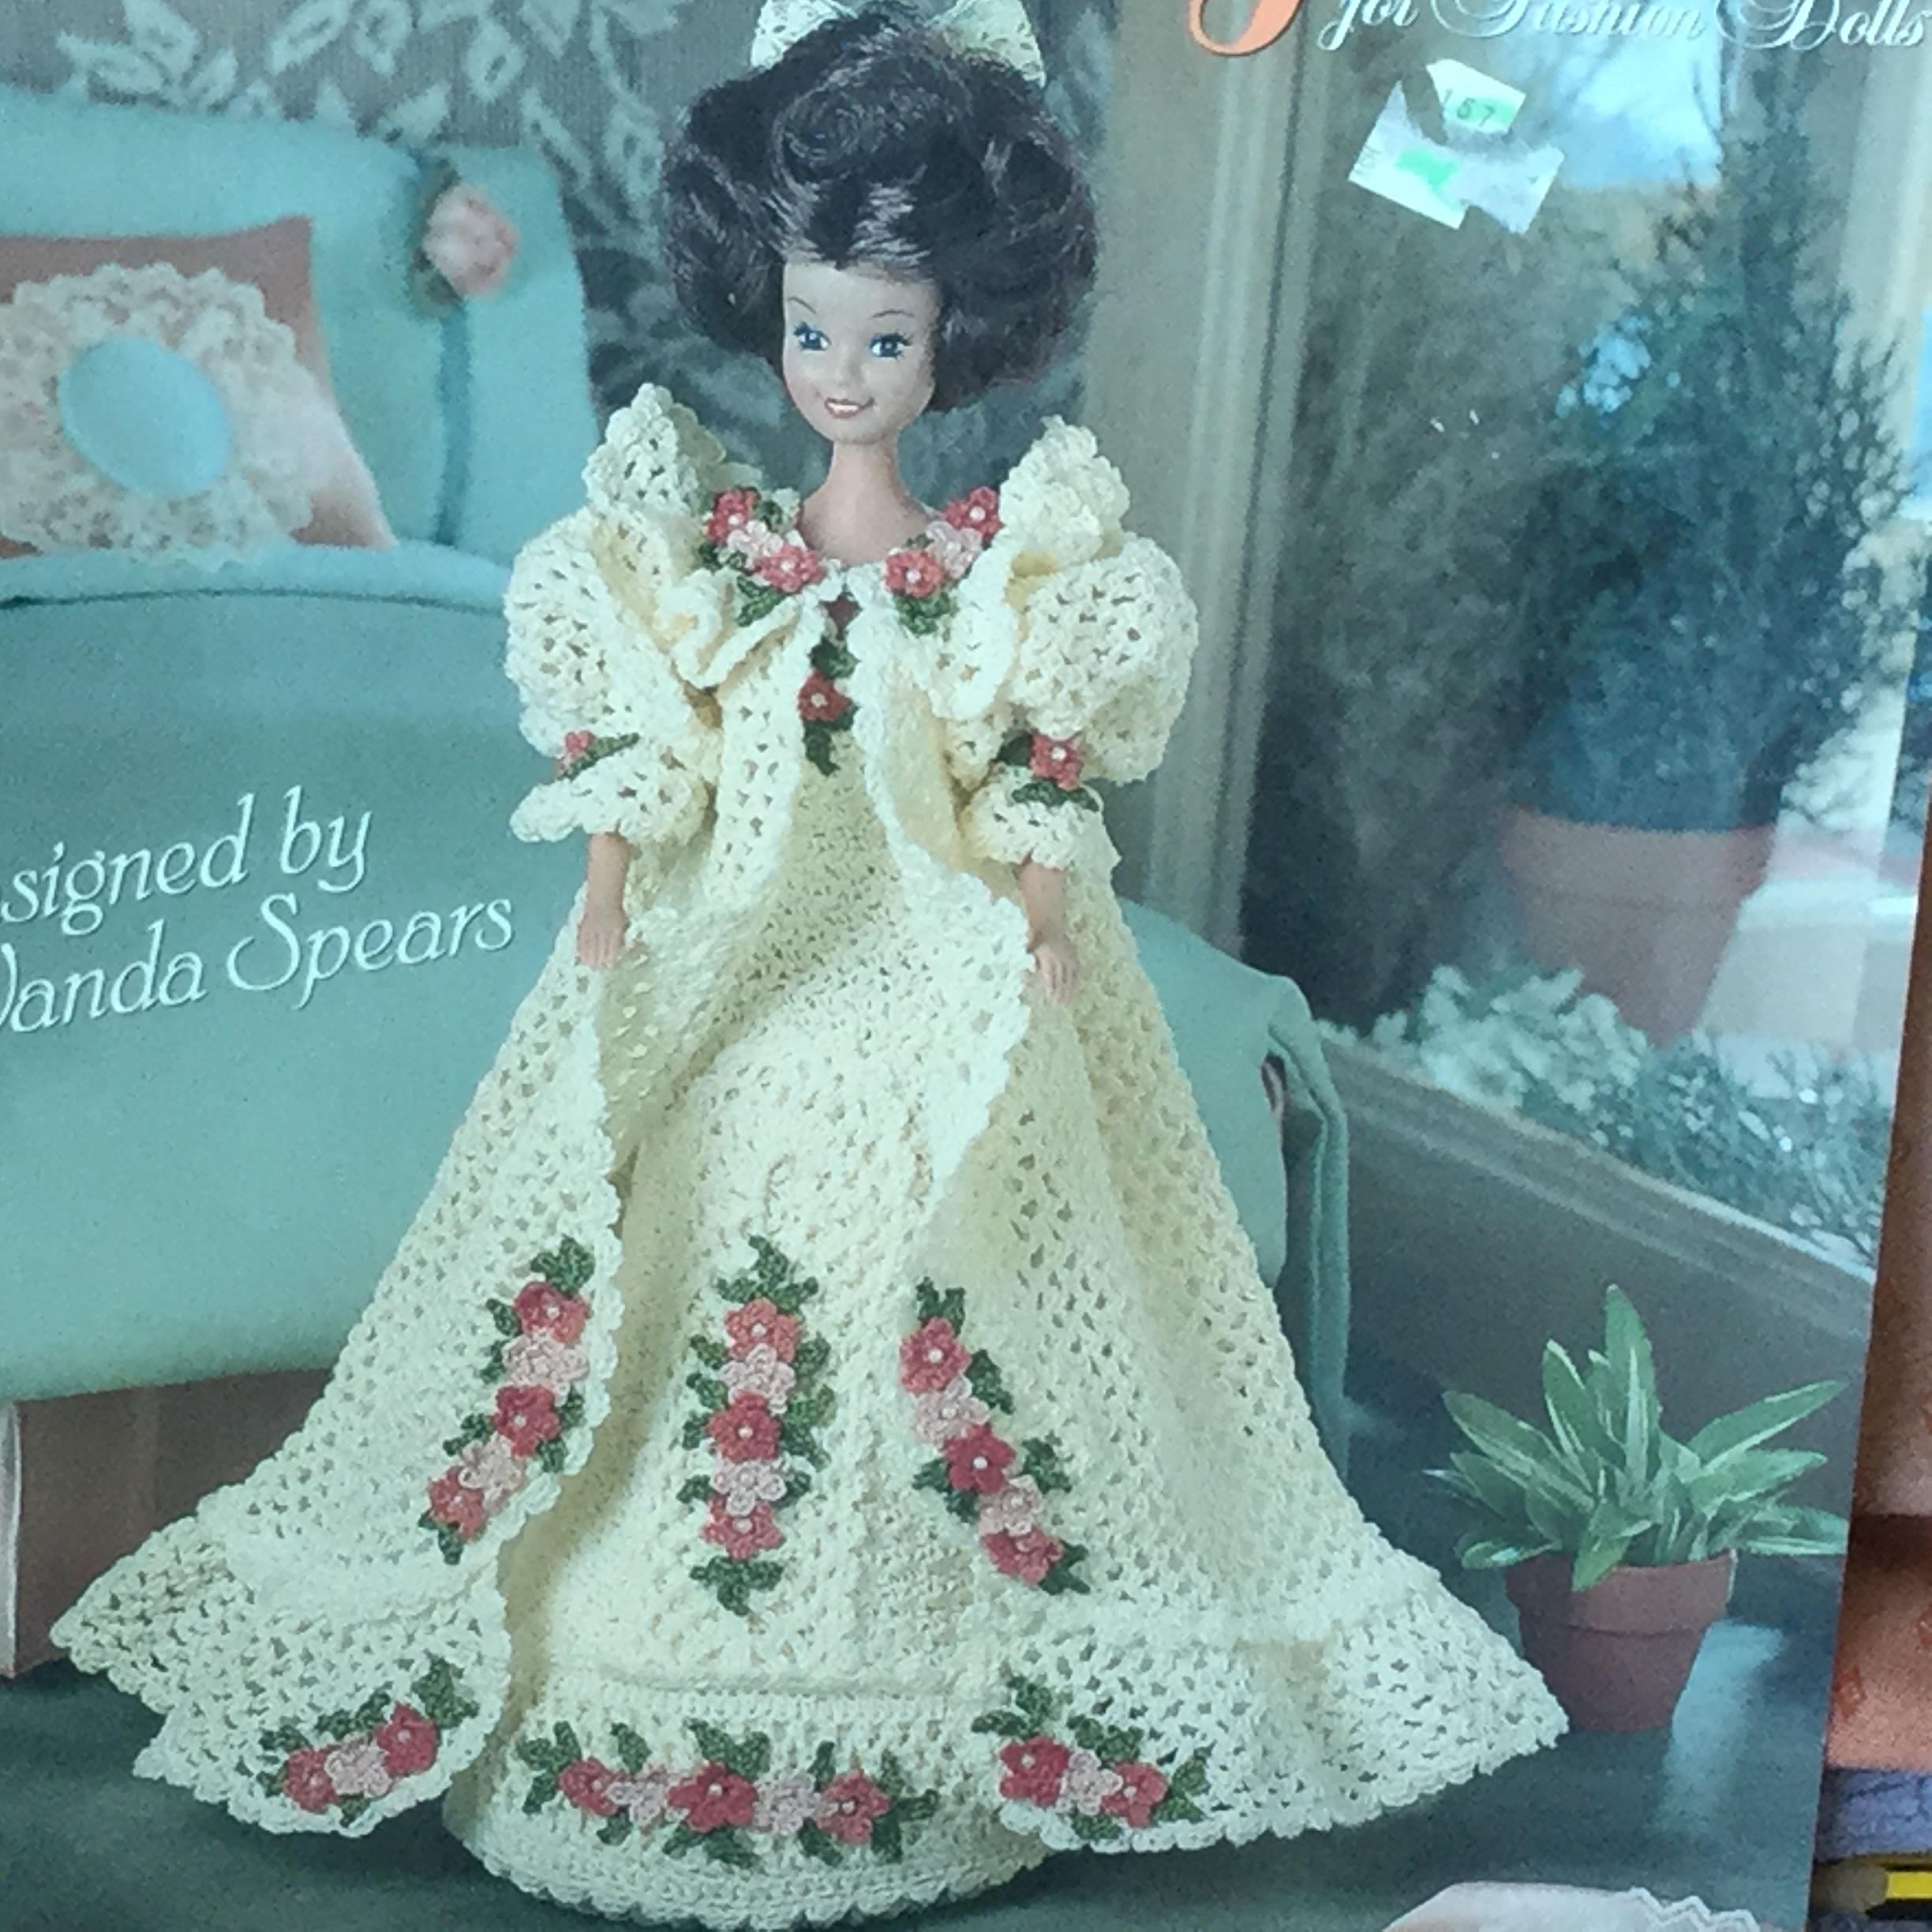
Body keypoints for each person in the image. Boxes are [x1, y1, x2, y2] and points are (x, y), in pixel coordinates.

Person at [53, 6, 1563, 1923]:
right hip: (728, 936)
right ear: (765, 317)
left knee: (920, 1166)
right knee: (679, 1154)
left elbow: (1026, 775)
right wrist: (609, 895)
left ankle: (941, 1715)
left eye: (885, 340)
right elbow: (643, 756)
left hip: (931, 945)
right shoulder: (689, 561)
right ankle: (614, 1699)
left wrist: (1035, 912)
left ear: (952, 343)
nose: (843, 373)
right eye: (814, 332)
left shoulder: (1009, 577)